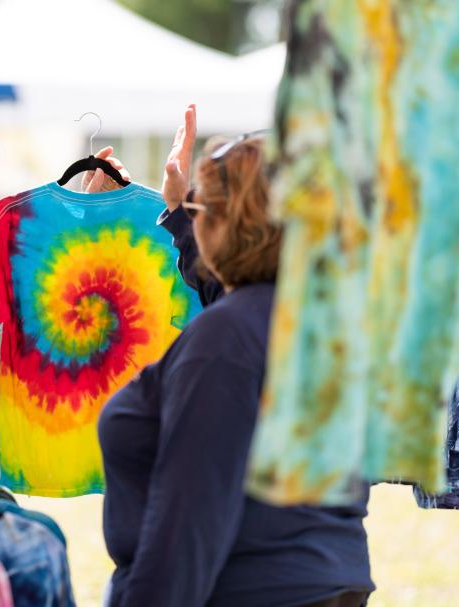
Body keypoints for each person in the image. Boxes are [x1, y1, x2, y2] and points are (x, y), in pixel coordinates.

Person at [98, 105, 374, 607]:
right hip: (322, 584)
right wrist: (182, 212)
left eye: (205, 211)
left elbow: (191, 517)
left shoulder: (226, 341)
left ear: (228, 224)